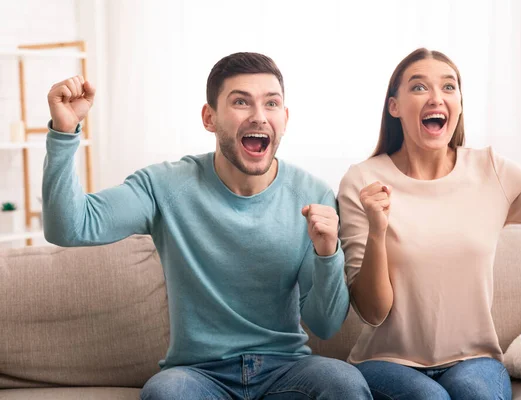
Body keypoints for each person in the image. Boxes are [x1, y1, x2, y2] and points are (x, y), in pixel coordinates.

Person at [43, 52, 372, 400]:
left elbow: (325, 324)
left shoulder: (312, 195)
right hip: (198, 376)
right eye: (241, 102)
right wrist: (64, 132)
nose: (259, 116)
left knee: (344, 383)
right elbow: (70, 227)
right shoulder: (164, 186)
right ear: (209, 117)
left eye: (271, 103)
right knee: (165, 393)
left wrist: (327, 252)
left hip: (286, 370)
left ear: (285, 118)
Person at [337, 47, 521, 400]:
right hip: (386, 362)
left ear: (459, 104)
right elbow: (371, 311)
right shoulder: (363, 180)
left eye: (448, 87)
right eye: (418, 87)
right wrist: (378, 231)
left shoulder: (492, 171)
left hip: (475, 359)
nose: (436, 98)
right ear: (394, 106)